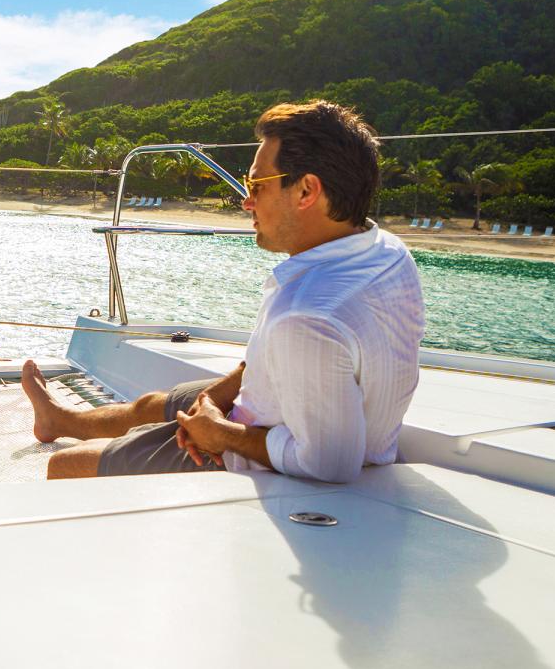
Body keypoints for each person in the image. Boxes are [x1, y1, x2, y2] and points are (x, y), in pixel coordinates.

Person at [25, 100, 426, 484]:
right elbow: (281, 358)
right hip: (266, 409)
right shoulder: (386, 251)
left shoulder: (307, 317)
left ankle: (83, 437)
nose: (246, 201)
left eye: (257, 184)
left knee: (64, 467)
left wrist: (221, 434)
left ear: (307, 191)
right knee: (156, 405)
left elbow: (331, 463)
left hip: (246, 462)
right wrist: (217, 397)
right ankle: (60, 420)